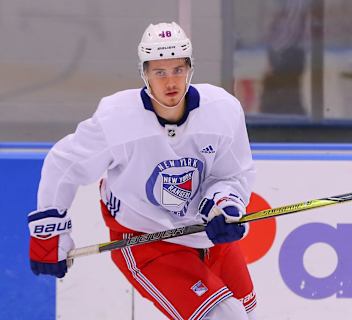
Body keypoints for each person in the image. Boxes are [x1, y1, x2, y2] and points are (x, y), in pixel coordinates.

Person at [27, 21, 257, 320]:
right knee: (226, 317)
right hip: (145, 239)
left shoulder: (222, 110)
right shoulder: (117, 119)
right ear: (144, 73)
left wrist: (224, 205)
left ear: (190, 69)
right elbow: (65, 163)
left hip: (204, 235)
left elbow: (232, 174)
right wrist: (49, 231)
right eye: (159, 72)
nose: (170, 81)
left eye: (177, 69)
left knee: (248, 313)